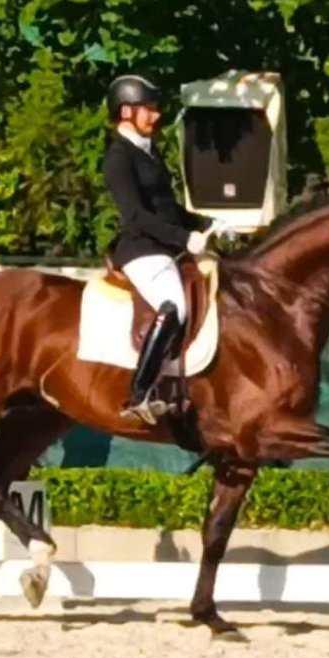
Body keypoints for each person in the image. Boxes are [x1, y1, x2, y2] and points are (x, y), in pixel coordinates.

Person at [101, 74, 221, 424]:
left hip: (165, 246)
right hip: (142, 249)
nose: (155, 116)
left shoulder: (148, 153)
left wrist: (203, 223)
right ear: (126, 111)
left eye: (155, 109)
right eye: (148, 110)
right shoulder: (118, 158)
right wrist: (184, 239)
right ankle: (138, 395)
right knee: (174, 307)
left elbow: (166, 208)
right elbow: (137, 216)